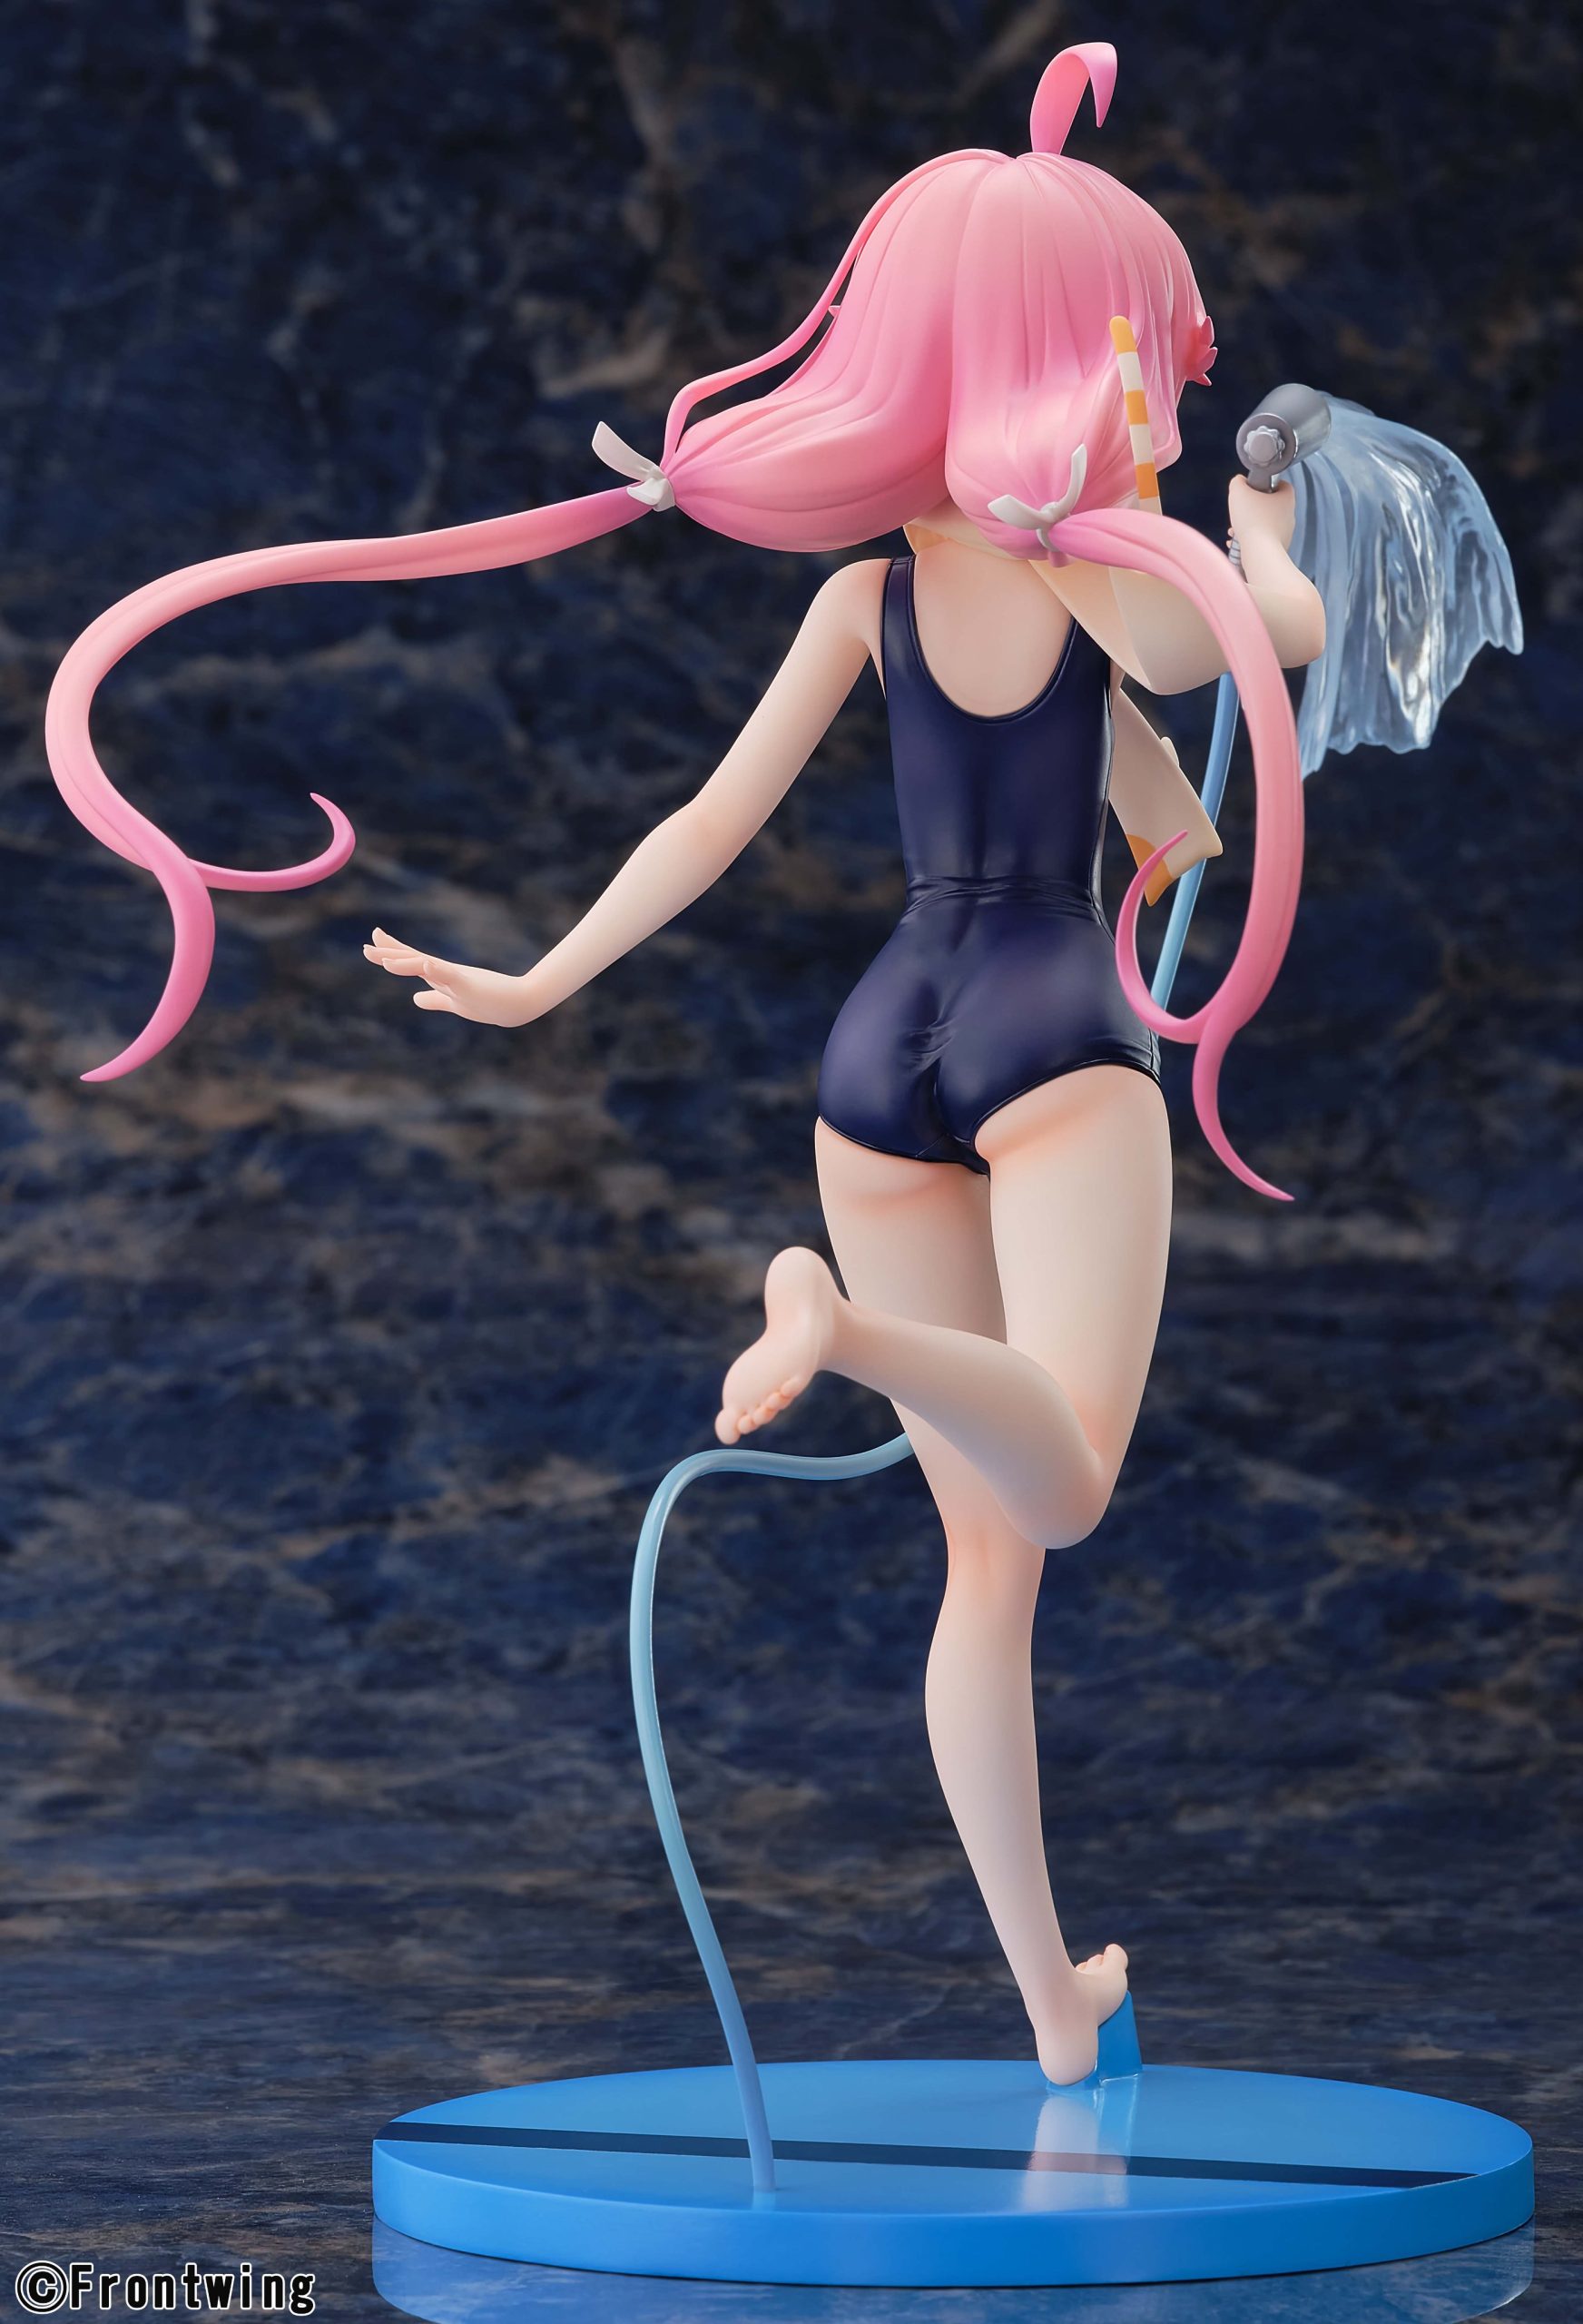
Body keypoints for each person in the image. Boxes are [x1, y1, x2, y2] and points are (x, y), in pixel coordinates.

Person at [47, 42, 1322, 2083]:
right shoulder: (1102, 565)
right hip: (1048, 1030)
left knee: (983, 1571)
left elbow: (709, 820)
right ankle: (841, 1330)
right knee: (1067, 1487)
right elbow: (1230, 643)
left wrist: (540, 979)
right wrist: (1250, 526)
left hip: (880, 1048)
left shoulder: (870, 593)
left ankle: (1053, 2014)